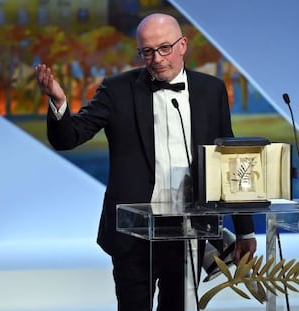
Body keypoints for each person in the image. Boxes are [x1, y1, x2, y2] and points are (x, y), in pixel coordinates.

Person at [35, 13, 257, 311]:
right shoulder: (116, 90)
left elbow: (227, 161)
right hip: (133, 231)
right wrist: (59, 103)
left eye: (164, 48)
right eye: (147, 51)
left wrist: (244, 230)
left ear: (183, 45)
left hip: (189, 229)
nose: (156, 58)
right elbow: (69, 138)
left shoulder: (211, 90)